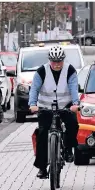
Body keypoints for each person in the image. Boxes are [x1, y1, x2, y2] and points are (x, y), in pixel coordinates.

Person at [28, 45, 80, 179]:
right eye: (54, 62)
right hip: (46, 108)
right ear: (49, 60)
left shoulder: (70, 70)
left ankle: (68, 149)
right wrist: (32, 104)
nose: (57, 64)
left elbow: (74, 88)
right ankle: (42, 167)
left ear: (63, 60)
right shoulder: (41, 71)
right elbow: (34, 89)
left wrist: (75, 103)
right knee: (42, 134)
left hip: (65, 106)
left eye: (59, 61)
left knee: (73, 124)